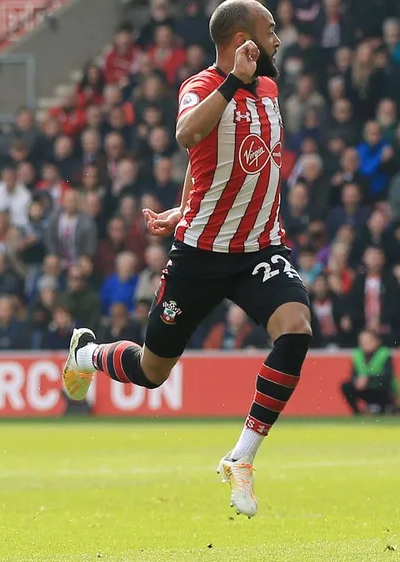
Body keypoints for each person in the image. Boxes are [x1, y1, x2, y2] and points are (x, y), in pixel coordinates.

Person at [60, 0, 313, 519]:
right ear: (243, 38)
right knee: (153, 370)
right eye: (270, 31)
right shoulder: (199, 87)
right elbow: (187, 137)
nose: (277, 41)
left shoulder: (269, 87)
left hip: (259, 248)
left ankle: (242, 458)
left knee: (296, 327)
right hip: (199, 255)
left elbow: (230, 168)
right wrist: (230, 84)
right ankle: (85, 355)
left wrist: (182, 207)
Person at [340, 329, 397, 415]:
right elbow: (353, 374)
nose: (365, 344)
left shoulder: (384, 353)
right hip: (366, 389)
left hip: (382, 390)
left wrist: (369, 379)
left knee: (385, 391)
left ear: (377, 341)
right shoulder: (357, 354)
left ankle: (386, 407)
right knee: (346, 386)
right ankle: (357, 413)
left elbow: (388, 376)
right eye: (362, 341)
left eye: (368, 341)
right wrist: (357, 381)